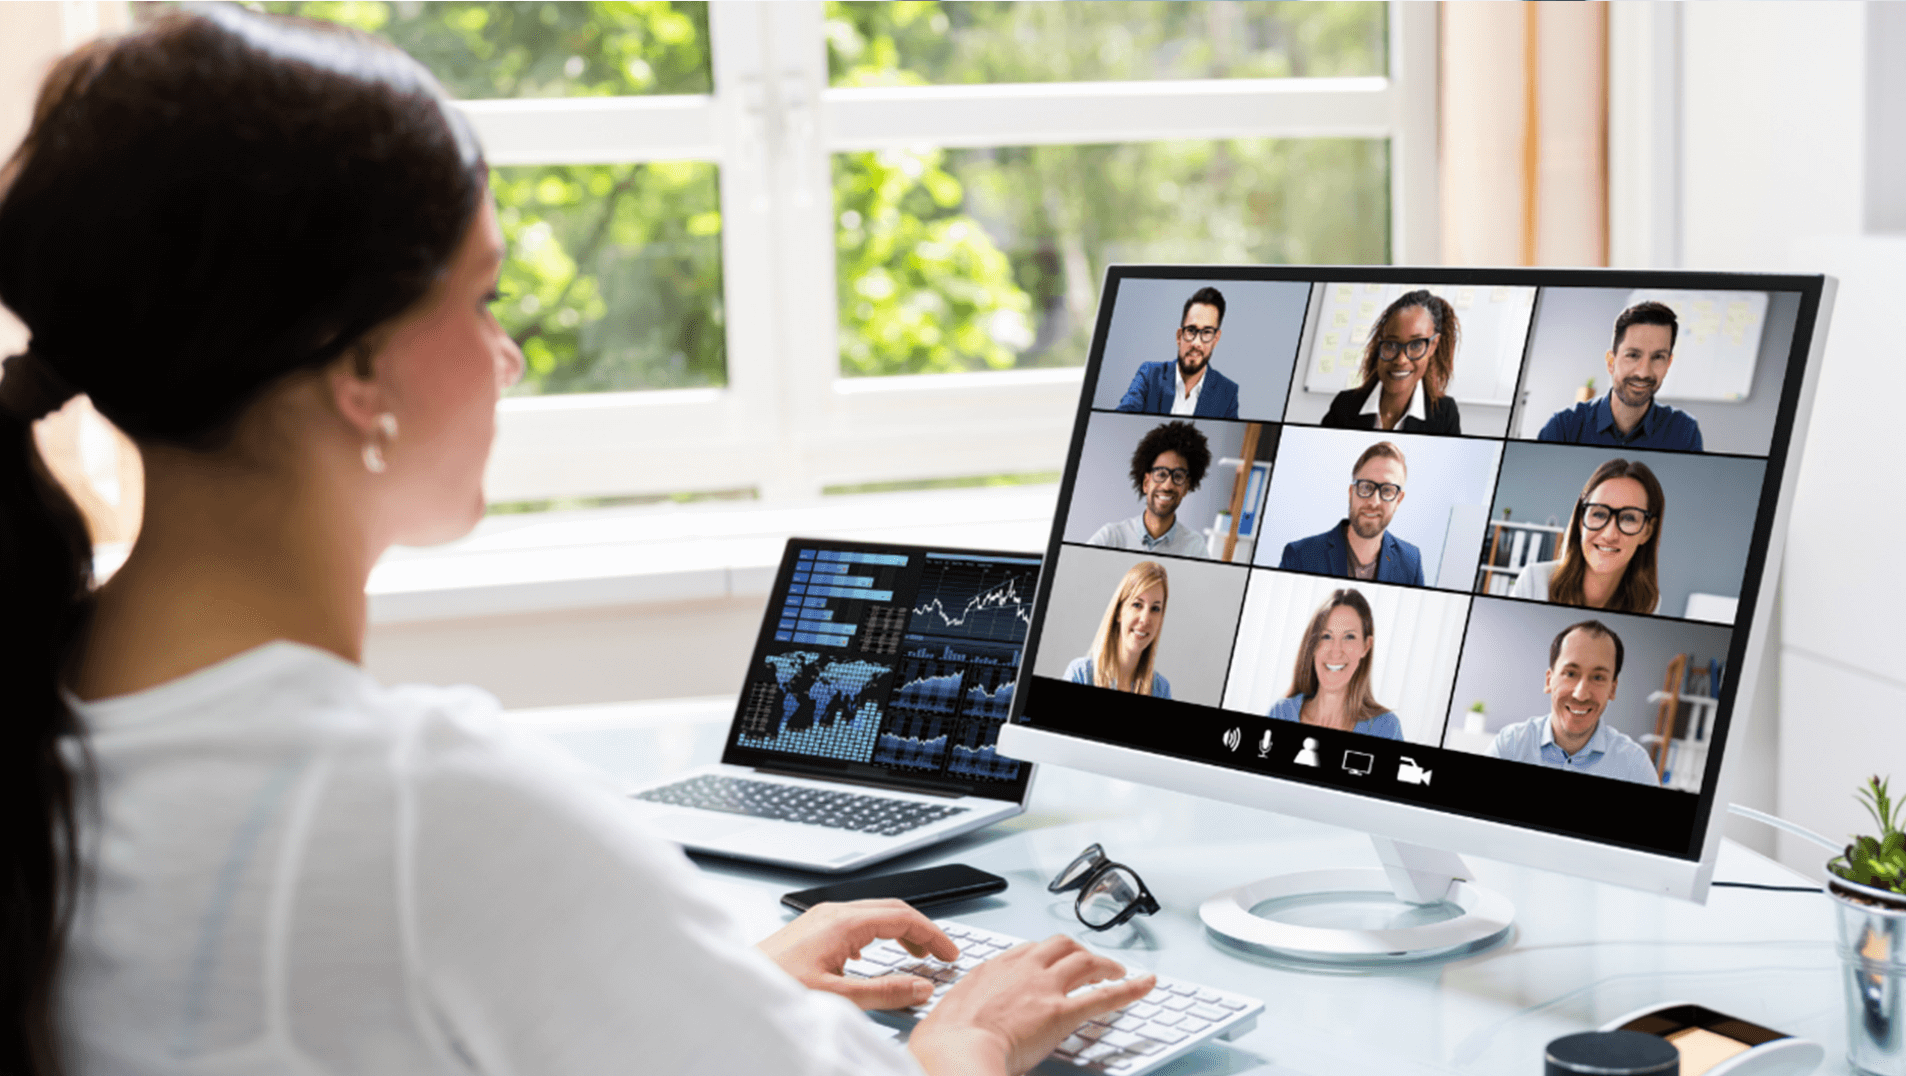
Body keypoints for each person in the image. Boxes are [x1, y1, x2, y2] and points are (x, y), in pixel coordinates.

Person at [0, 11, 1154, 1076]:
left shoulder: (51, 709)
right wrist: (967, 1039)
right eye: (482, 297)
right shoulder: (425, 809)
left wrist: (694, 993)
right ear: (356, 369)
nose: (506, 357)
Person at [1485, 621, 1660, 785]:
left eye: (1598, 677)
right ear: (1549, 680)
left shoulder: (1635, 767)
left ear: (1612, 689)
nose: (1581, 694)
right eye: (1570, 674)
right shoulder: (1510, 745)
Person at [1536, 300, 1704, 451]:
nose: (1643, 372)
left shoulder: (1684, 432)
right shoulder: (1564, 428)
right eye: (1632, 355)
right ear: (1611, 362)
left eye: (1658, 357)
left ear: (1668, 364)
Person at [1508, 458, 1664, 614]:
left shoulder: (1648, 604)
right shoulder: (1534, 582)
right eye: (1599, 514)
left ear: (1647, 531)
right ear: (1581, 520)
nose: (1609, 535)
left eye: (1629, 518)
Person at [1278, 441, 1425, 586]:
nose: (1374, 502)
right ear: (1351, 492)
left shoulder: (1411, 562)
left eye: (1387, 490)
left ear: (1398, 500)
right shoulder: (1300, 555)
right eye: (1366, 487)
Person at [1264, 589, 1402, 740]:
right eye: (1326, 636)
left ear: (1366, 646)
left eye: (1349, 637)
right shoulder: (1281, 713)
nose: (1336, 652)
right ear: (1313, 645)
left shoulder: (1386, 728)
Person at [1320, 289, 1462, 435]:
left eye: (1416, 345)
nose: (1401, 360)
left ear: (1433, 345)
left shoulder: (1445, 414)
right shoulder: (1344, 405)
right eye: (1391, 344)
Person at [1086, 419, 1212, 559]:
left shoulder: (1195, 547)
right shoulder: (1112, 537)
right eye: (1161, 474)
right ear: (1146, 483)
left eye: (1178, 476)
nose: (1167, 485)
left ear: (1186, 488)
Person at [1114, 286, 1241, 419]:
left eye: (1207, 332)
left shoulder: (1228, 393)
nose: (1196, 343)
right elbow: (1120, 419)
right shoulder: (1149, 375)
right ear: (1179, 336)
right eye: (1191, 330)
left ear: (1215, 339)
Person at [1064, 561, 1172, 697]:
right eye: (1137, 605)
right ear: (1119, 611)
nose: (1145, 619)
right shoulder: (1080, 674)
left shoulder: (1161, 689)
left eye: (1155, 609)